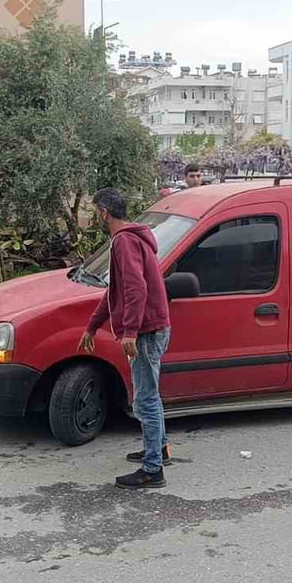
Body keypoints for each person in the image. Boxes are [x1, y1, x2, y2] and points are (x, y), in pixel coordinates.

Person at [79, 188, 172, 489]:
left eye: (96, 212)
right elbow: (115, 292)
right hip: (152, 327)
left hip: (146, 331)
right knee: (150, 393)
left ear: (104, 212)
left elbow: (136, 289)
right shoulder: (133, 237)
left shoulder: (124, 242)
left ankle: (153, 469)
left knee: (145, 398)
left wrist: (130, 331)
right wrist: (92, 327)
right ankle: (159, 449)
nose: (96, 217)